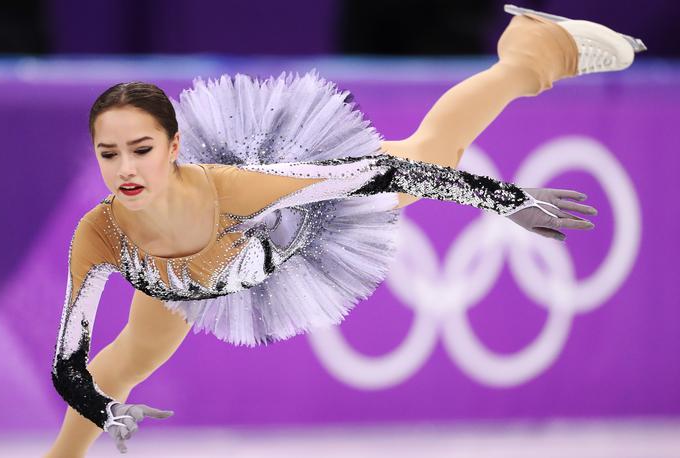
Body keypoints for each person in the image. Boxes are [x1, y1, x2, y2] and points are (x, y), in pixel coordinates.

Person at [45, 5, 645, 457]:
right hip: (175, 277)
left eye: (141, 149)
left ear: (174, 147)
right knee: (124, 363)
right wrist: (101, 408)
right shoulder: (98, 234)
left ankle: (533, 53)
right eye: (108, 154)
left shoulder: (235, 188)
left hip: (290, 220)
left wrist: (505, 199)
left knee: (434, 154)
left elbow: (381, 173)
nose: (124, 169)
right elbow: (69, 365)